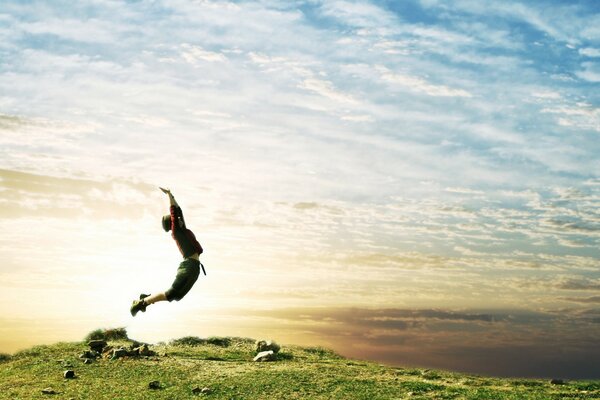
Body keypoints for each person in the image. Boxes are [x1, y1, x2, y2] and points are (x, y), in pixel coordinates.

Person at [130, 187, 205, 316]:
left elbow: (179, 211)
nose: (180, 219)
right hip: (188, 267)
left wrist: (173, 196)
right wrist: (169, 195)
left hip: (194, 268)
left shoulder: (184, 229)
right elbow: (175, 212)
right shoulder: (177, 232)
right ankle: (141, 303)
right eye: (176, 219)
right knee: (171, 294)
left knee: (176, 297)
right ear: (172, 223)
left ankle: (145, 299)